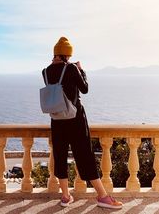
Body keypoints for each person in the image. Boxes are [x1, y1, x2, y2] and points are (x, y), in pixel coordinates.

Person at [42, 37, 123, 209]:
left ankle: (65, 196)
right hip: (75, 119)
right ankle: (102, 196)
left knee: (60, 155)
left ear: (55, 53)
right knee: (84, 155)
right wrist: (81, 70)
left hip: (57, 120)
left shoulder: (45, 71)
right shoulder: (71, 68)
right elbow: (84, 89)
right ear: (68, 55)